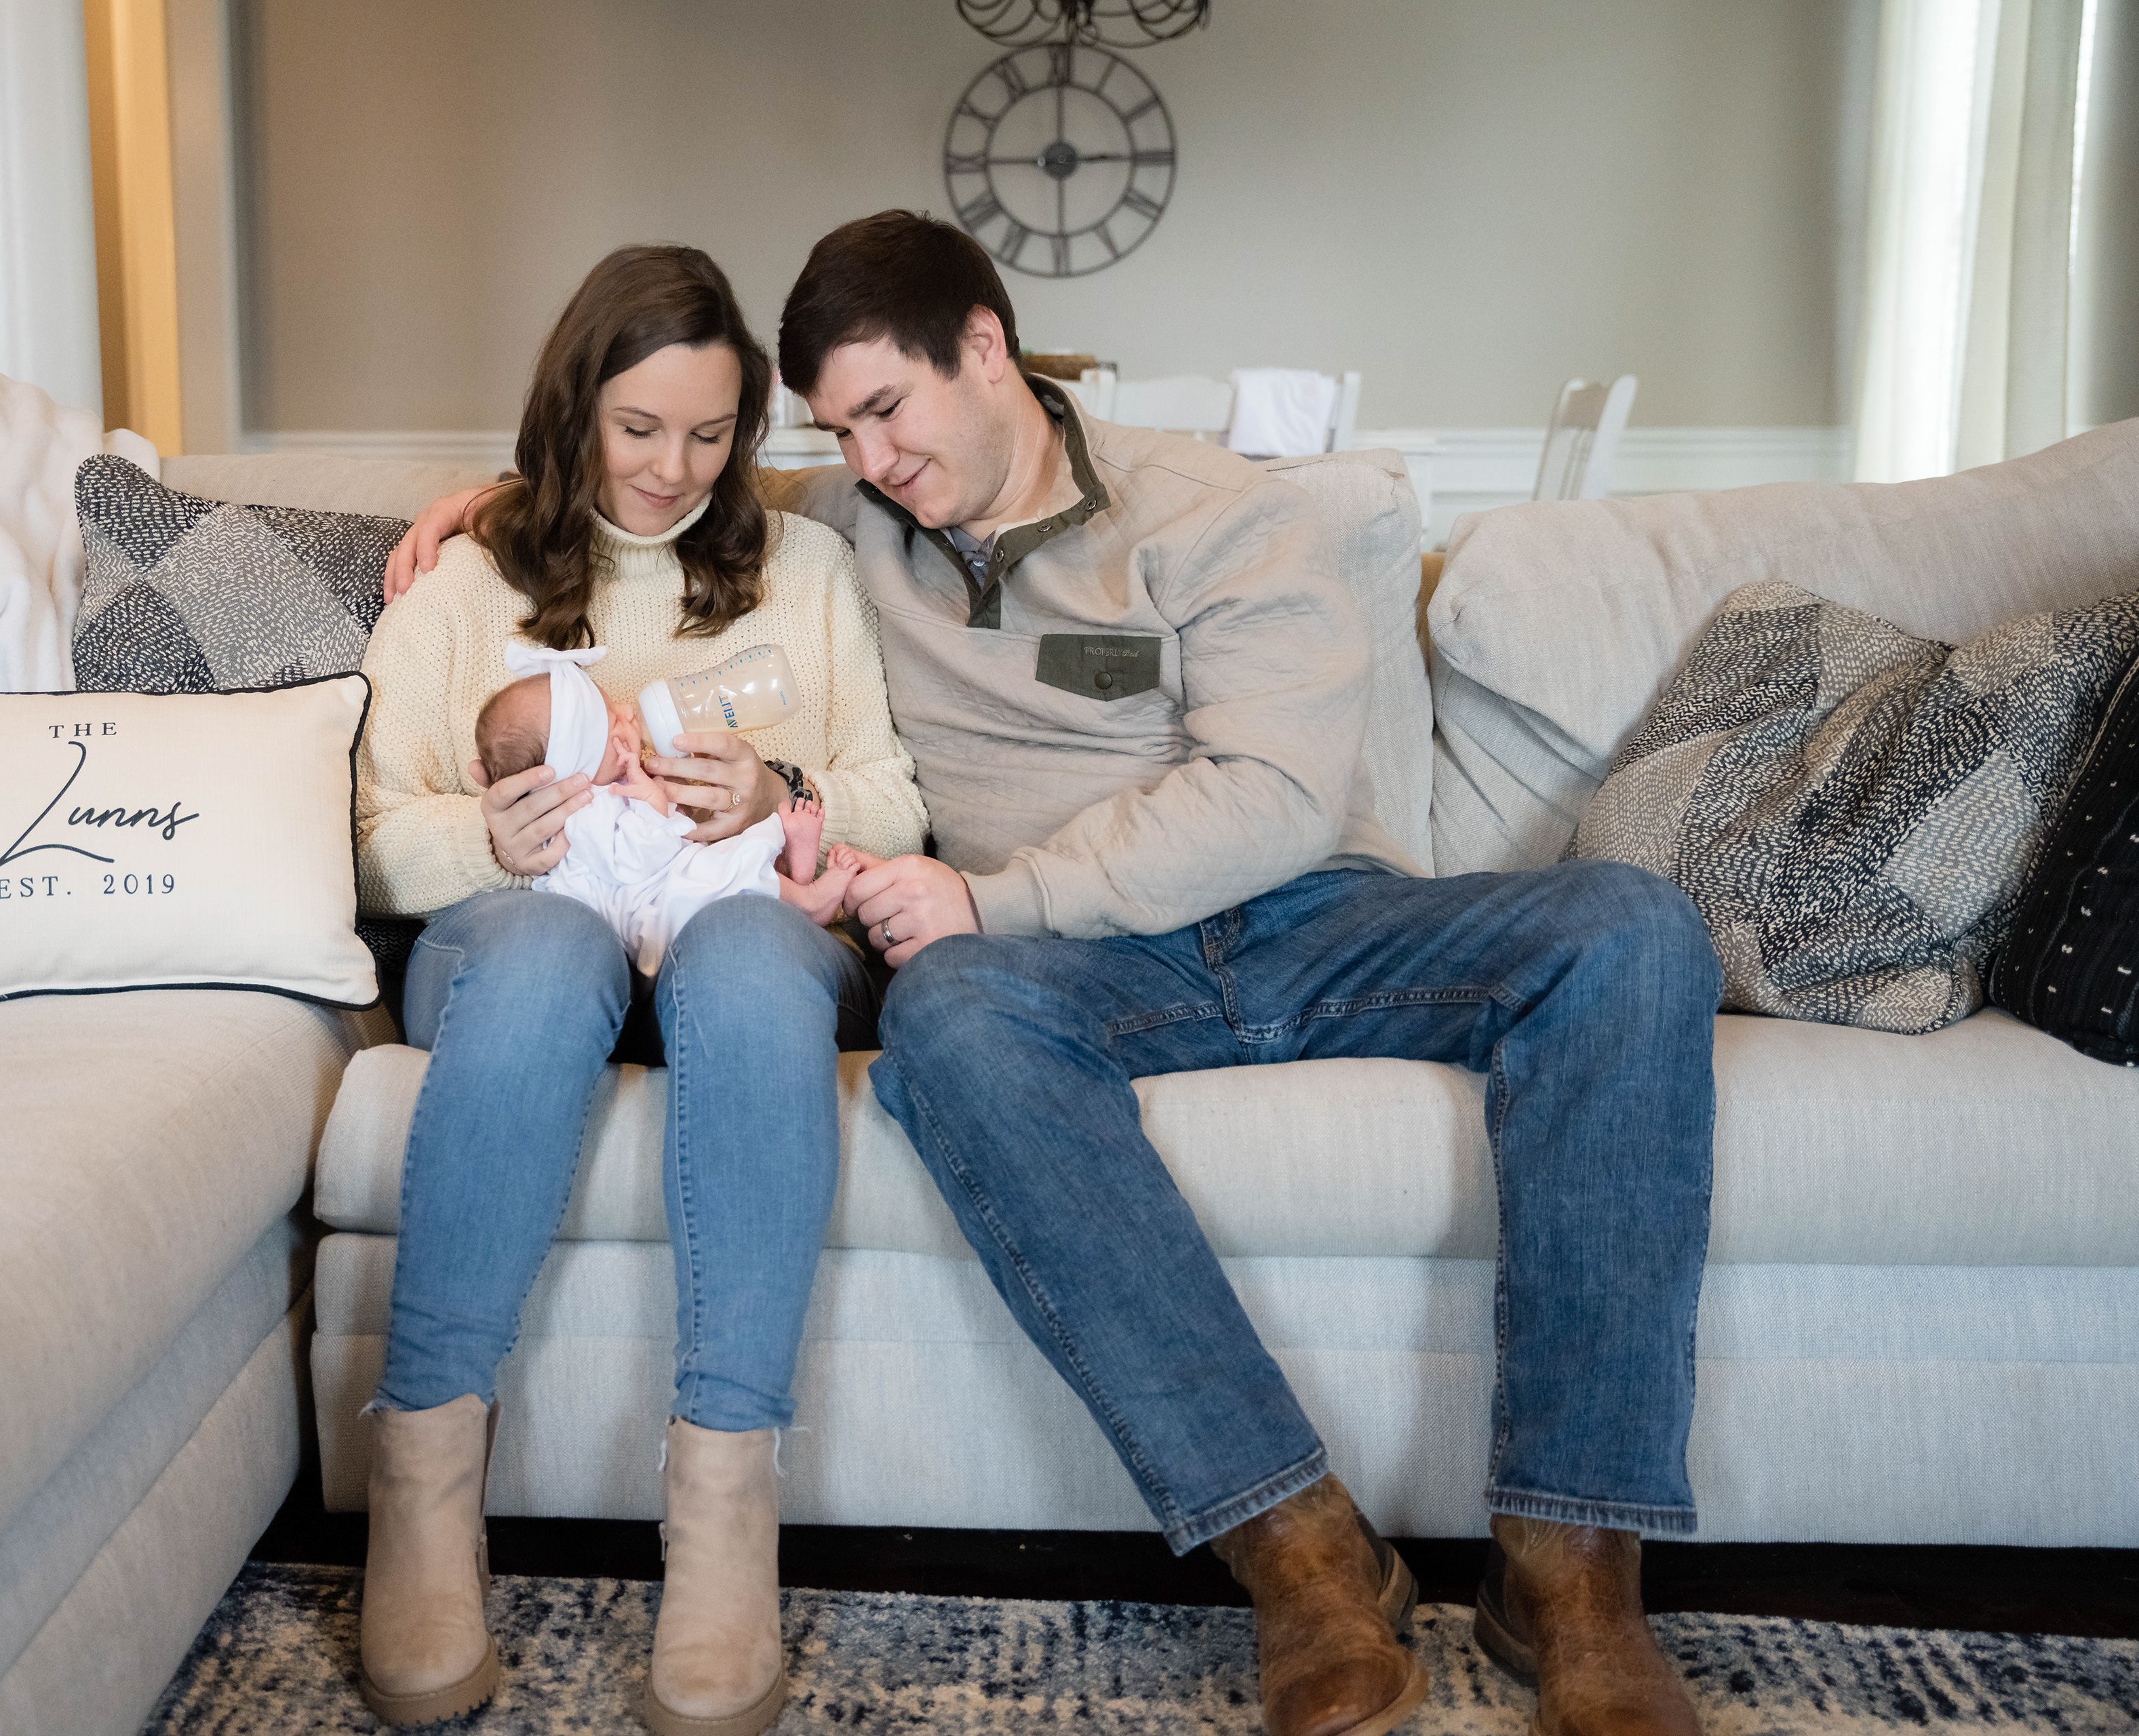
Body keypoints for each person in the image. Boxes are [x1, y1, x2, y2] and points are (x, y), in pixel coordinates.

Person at [394, 212, 1720, 1736]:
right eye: (842, 430)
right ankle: (1298, 1548)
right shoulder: (854, 533)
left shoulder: (1224, 513)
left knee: (1625, 927)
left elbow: (1275, 797)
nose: (876, 459)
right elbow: (664, 494)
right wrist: (507, 496)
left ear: (987, 348)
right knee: (946, 1016)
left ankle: (1572, 1561)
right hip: (1069, 977)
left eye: (892, 410)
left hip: (1316, 920)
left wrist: (996, 891)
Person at [352, 243, 925, 1736]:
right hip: (527, 925)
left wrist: (782, 786)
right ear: (573, 408)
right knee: (547, 951)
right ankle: (421, 1480)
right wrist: (485, 830)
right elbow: (368, 829)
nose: (676, 468)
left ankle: (727, 1503)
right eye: (638, 427)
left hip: (745, 920)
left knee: (744, 969)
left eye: (713, 431)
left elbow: (891, 797)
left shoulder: (800, 569)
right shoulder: (474, 576)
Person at [471, 642, 859, 960]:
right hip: (656, 910)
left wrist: (772, 794)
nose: (627, 710)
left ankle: (798, 873)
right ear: (582, 763)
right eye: (612, 720)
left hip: (674, 890)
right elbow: (635, 858)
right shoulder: (585, 814)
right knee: (729, 875)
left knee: (732, 866)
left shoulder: (609, 793)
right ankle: (808, 900)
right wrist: (654, 801)